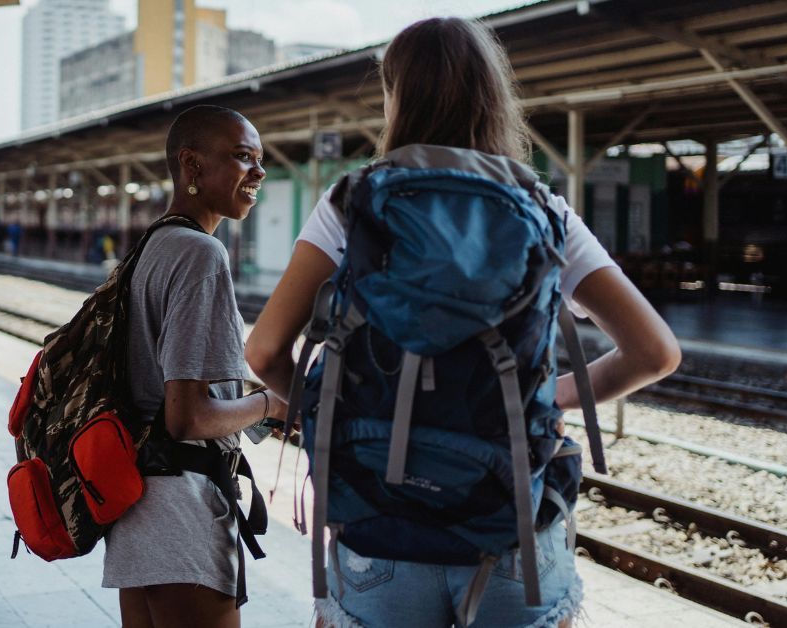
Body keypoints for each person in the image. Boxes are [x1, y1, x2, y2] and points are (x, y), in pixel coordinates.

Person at [244, 17, 681, 628]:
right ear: (492, 95)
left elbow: (264, 353)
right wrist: (548, 399)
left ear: (396, 95)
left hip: (378, 521)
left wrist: (328, 411)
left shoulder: (352, 203)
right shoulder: (542, 207)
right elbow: (654, 352)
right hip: (509, 529)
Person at [102, 104, 288, 628]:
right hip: (180, 506)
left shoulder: (151, 246)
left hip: (139, 504)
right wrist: (268, 403)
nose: (258, 171)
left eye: (259, 159)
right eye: (241, 157)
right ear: (191, 166)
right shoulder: (200, 255)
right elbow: (188, 417)